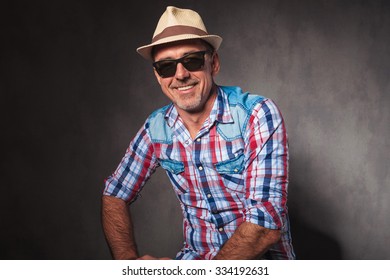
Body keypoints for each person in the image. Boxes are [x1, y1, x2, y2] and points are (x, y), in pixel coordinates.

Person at [102, 6, 295, 260]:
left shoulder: (256, 115)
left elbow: (265, 225)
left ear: (213, 62)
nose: (180, 75)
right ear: (158, 76)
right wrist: (129, 265)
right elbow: (115, 194)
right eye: (166, 67)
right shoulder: (156, 128)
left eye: (192, 60)